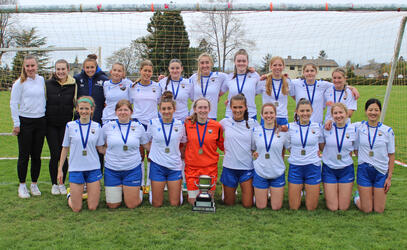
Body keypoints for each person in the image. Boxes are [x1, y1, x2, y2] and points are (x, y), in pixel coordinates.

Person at [57, 96, 104, 212]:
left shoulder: (97, 126)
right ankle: (70, 195)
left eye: (87, 109)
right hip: (76, 168)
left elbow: (101, 149)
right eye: (81, 108)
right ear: (77, 109)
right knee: (76, 208)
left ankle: (80, 194)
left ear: (92, 110)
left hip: (93, 168)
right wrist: (60, 169)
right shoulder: (70, 126)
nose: (84, 111)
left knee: (92, 207)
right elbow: (65, 148)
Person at [10, 55, 46, 198]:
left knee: (36, 155)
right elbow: (13, 103)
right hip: (25, 122)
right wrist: (16, 124)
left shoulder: (41, 80)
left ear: (37, 66)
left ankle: (34, 184)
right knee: (24, 155)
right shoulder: (19, 83)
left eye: (33, 65)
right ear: (24, 67)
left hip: (40, 121)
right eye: (28, 66)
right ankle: (22, 185)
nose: (30, 68)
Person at [102, 100, 150, 209]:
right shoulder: (107, 126)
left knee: (131, 205)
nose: (123, 112)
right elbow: (100, 146)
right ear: (115, 112)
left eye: (126, 110)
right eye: (120, 110)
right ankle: (124, 189)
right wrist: (112, 154)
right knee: (113, 205)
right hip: (112, 170)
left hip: (132, 169)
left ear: (131, 112)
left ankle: (138, 190)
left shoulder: (138, 126)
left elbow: (146, 146)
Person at [354, 99, 395, 213]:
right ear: (366, 111)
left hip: (381, 172)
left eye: (376, 110)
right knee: (366, 209)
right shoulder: (359, 128)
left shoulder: (388, 131)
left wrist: (389, 177)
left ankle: (370, 195)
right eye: (370, 110)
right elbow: (356, 149)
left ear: (380, 112)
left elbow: (391, 155)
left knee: (379, 210)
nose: (373, 113)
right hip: (364, 171)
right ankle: (357, 197)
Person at [147, 91, 187, 207]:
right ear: (160, 110)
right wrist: (154, 153)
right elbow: (146, 141)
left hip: (174, 166)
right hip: (157, 165)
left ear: (174, 109)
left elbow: (184, 142)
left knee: (175, 203)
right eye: (163, 109)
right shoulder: (153, 123)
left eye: (169, 108)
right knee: (156, 204)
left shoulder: (180, 124)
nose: (166, 111)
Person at [220, 94, 258, 208]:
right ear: (230, 108)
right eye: (235, 107)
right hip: (229, 167)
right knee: (228, 203)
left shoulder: (253, 123)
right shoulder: (224, 122)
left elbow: (260, 142)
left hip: (246, 168)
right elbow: (208, 129)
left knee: (248, 204)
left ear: (245, 107)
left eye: (240, 107)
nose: (237, 110)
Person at [129, 60, 161, 194]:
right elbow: (129, 104)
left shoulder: (157, 86)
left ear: (152, 72)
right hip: (138, 123)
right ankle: (141, 183)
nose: (147, 73)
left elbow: (159, 103)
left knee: (152, 154)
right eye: (145, 70)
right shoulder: (133, 87)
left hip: (153, 124)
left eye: (149, 71)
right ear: (140, 71)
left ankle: (150, 182)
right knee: (140, 155)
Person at [184, 98, 224, 205]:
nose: (203, 110)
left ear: (209, 109)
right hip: (192, 168)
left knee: (207, 201)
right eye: (200, 107)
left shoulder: (216, 126)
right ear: (195, 109)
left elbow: (223, 146)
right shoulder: (187, 124)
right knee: (193, 202)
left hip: (209, 168)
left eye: (205, 107)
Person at [45, 59, 76, 195]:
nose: (61, 72)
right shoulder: (47, 84)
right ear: (55, 70)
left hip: (66, 125)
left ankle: (62, 183)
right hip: (50, 125)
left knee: (64, 155)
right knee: (54, 154)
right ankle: (54, 183)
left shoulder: (73, 85)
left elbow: (76, 103)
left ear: (67, 69)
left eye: (63, 69)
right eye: (58, 69)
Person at [290, 63, 359, 124]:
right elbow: (286, 84)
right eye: (307, 71)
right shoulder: (296, 83)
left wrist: (351, 88)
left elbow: (338, 84)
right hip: (301, 121)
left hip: (319, 123)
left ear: (316, 72)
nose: (309, 73)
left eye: (312, 71)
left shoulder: (324, 85)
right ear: (303, 73)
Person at [286, 98, 324, 210]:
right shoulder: (290, 127)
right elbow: (288, 146)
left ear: (312, 111)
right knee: (294, 207)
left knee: (311, 208)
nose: (305, 113)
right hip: (296, 167)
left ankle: (305, 190)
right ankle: (299, 191)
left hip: (312, 166)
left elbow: (322, 145)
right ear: (297, 112)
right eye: (302, 111)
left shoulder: (318, 127)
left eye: (307, 110)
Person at [252, 103, 288, 210]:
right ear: (262, 115)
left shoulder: (283, 132)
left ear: (275, 115)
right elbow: (252, 148)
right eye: (266, 113)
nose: (269, 115)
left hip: (277, 172)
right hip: (260, 172)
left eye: (271, 113)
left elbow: (290, 147)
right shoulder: (256, 131)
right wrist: (254, 153)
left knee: (276, 207)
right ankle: (259, 194)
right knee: (261, 206)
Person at [320, 103, 356, 211]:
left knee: (343, 207)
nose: (338, 115)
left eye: (341, 112)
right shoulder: (326, 128)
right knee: (333, 207)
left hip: (346, 169)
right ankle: (331, 192)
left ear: (346, 114)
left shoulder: (353, 129)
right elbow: (322, 146)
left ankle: (357, 195)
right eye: (335, 113)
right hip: (329, 168)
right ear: (332, 115)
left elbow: (355, 148)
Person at [221, 49, 261, 120]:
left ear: (247, 62)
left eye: (244, 61)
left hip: (250, 114)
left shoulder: (255, 75)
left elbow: (257, 91)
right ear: (235, 62)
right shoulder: (229, 77)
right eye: (239, 61)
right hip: (231, 115)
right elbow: (219, 93)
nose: (241, 63)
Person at [189, 53, 228, 120]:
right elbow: (191, 96)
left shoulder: (219, 76)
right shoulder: (193, 78)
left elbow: (233, 79)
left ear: (211, 64)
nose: (205, 65)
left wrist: (219, 94)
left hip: (211, 116)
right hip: (195, 116)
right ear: (199, 65)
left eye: (207, 63)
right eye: (202, 63)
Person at [74, 54, 109, 125]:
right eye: (87, 67)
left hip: (98, 115)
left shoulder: (104, 79)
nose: (90, 70)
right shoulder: (77, 79)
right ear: (83, 68)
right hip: (81, 114)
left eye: (92, 67)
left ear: (96, 67)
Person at [259, 56, 291, 127]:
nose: (277, 67)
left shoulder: (288, 82)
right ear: (270, 67)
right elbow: (252, 94)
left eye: (280, 65)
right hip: (267, 117)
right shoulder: (263, 81)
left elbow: (295, 96)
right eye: (274, 65)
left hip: (282, 117)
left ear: (283, 67)